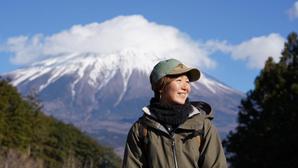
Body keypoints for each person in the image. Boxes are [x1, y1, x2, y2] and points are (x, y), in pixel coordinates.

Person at [122, 58, 227, 168]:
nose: (185, 87)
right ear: (161, 86)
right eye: (179, 80)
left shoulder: (202, 126)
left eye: (187, 81)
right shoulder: (141, 129)